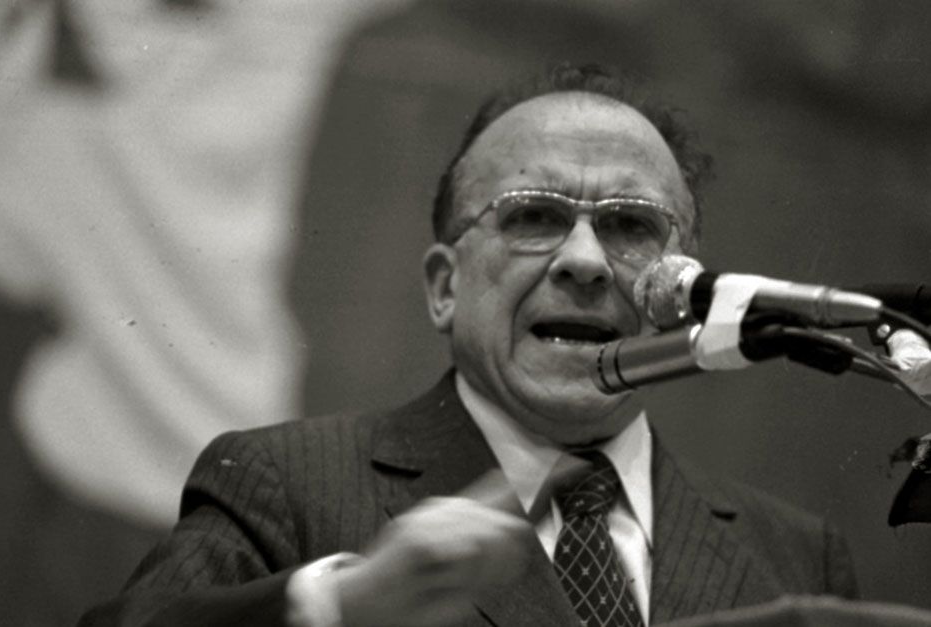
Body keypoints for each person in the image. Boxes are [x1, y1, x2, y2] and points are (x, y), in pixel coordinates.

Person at [79, 63, 858, 627]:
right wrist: (343, 606)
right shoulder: (282, 486)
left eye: (630, 226)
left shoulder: (797, 555)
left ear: (680, 293)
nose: (585, 261)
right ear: (444, 287)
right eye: (534, 217)